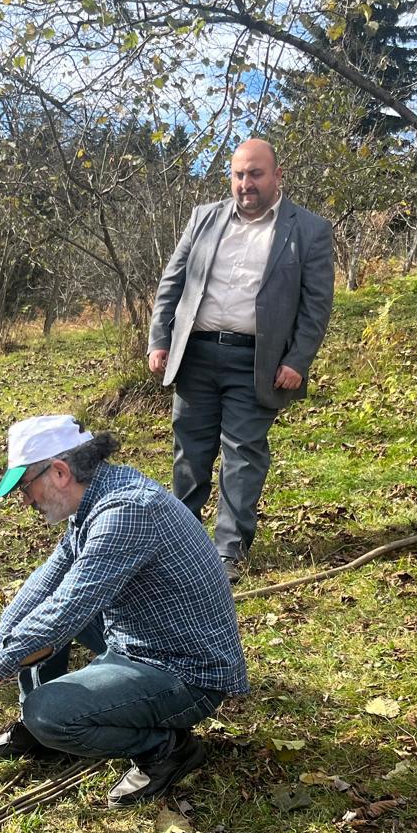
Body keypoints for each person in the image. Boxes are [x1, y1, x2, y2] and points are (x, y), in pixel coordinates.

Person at [0, 415, 248, 808]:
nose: (25, 500)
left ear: (58, 472)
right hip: (142, 637)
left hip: (186, 671)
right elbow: (47, 584)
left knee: (49, 710)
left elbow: (66, 610)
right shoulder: (95, 498)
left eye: (25, 488)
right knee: (39, 619)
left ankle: (166, 749)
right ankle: (37, 732)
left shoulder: (126, 511)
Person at [148, 138, 334, 583]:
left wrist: (298, 359)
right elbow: (172, 282)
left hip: (258, 360)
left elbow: (316, 305)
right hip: (195, 353)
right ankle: (182, 540)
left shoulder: (308, 229)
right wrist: (160, 339)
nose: (246, 184)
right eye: (238, 175)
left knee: (243, 453)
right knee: (189, 453)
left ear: (277, 175)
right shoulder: (204, 218)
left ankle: (228, 551)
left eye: (255, 174)